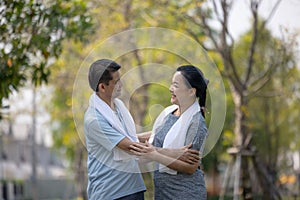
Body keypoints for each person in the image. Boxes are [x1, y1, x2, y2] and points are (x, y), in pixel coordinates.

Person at [131, 65, 209, 199]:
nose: (170, 89)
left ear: (191, 91)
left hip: (184, 194)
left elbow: (190, 167)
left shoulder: (196, 123)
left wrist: (154, 154)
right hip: (163, 192)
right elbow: (158, 135)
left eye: (176, 85)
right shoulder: (169, 112)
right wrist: (127, 139)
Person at [84, 59, 146, 200]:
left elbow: (132, 138)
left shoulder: (118, 108)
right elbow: (130, 146)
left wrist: (164, 132)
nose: (121, 85)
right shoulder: (94, 119)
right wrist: (172, 154)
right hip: (111, 193)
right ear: (102, 87)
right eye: (116, 82)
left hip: (134, 187)